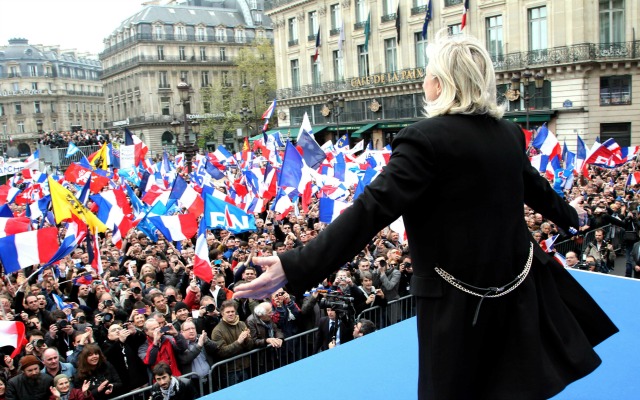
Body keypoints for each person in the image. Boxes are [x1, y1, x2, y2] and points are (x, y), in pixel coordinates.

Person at [233, 31, 618, 399]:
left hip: (455, 300)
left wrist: (295, 264)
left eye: (428, 73)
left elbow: (370, 211)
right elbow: (538, 190)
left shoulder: (424, 139)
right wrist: (573, 216)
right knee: (513, 384)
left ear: (442, 82)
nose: (424, 82)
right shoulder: (508, 133)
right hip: (519, 286)